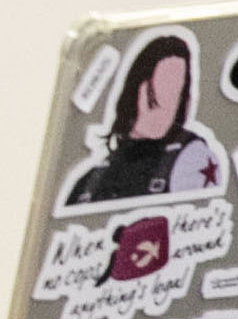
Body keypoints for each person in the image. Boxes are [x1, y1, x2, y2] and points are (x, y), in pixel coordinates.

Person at [60, 31, 223, 206]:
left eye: (175, 94)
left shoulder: (192, 159)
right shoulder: (88, 184)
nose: (163, 106)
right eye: (153, 93)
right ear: (136, 88)